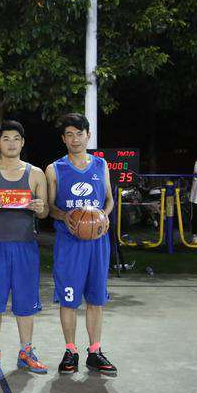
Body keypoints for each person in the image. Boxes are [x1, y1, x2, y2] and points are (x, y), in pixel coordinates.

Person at [0, 120, 49, 374]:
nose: (11, 143)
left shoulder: (35, 174)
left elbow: (45, 211)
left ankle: (26, 352)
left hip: (25, 246)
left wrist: (40, 208)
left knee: (25, 303)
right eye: (6, 138)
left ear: (22, 142)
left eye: (16, 138)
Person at [45, 113, 116, 375]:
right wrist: (65, 216)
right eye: (70, 135)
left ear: (88, 136)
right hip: (69, 243)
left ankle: (94, 351)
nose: (75, 139)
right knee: (69, 300)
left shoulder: (101, 165)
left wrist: (103, 217)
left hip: (97, 242)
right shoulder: (54, 169)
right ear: (63, 139)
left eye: (79, 134)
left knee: (96, 299)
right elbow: (49, 207)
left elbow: (109, 199)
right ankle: (70, 351)